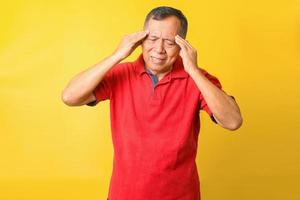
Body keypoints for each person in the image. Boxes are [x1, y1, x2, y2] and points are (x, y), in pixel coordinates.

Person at [61, 6, 243, 200]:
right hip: (124, 195)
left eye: (170, 42)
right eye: (153, 39)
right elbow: (70, 97)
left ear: (182, 46)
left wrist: (194, 71)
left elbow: (233, 121)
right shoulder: (121, 74)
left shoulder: (198, 80)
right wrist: (117, 55)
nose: (159, 49)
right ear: (141, 40)